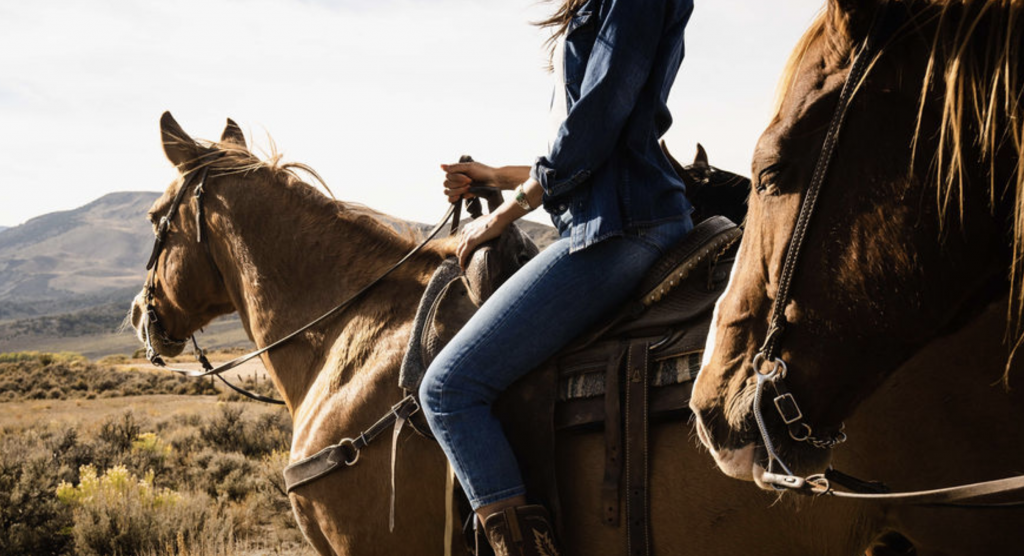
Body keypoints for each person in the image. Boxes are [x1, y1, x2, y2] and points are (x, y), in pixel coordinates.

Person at [419, 0, 695, 553]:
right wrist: (497, 175)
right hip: (625, 213)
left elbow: (594, 126)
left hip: (619, 230)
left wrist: (504, 213)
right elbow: (592, 151)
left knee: (449, 389)